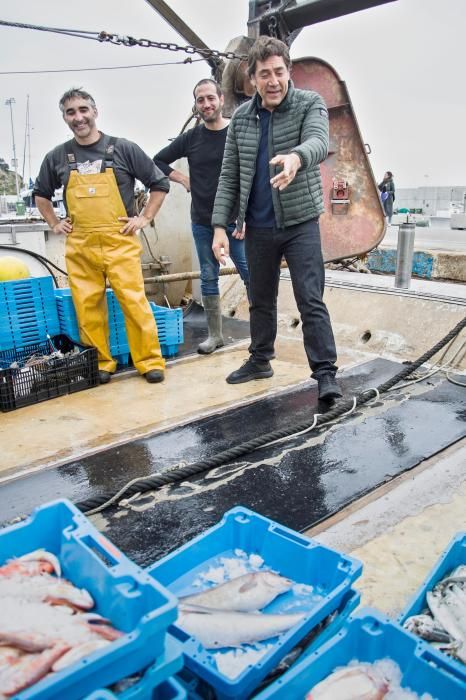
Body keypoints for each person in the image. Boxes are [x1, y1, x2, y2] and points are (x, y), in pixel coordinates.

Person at [212, 36, 342, 402]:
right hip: (257, 226)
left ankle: (326, 373)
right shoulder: (241, 118)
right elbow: (229, 175)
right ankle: (260, 359)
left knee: (309, 298)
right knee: (260, 298)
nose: (272, 81)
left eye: (279, 72)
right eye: (264, 74)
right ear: (252, 78)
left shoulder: (309, 104)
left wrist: (296, 158)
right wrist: (220, 227)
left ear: (289, 72)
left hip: (300, 223)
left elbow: (318, 142)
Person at [34, 87, 169, 385]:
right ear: (65, 118)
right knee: (87, 306)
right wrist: (55, 223)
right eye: (71, 112)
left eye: (83, 110)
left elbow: (159, 184)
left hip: (120, 241)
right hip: (81, 244)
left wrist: (144, 218)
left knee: (134, 303)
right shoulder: (57, 156)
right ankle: (101, 362)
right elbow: (41, 195)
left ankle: (149, 361)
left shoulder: (123, 149)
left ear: (95, 111)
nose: (78, 117)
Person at [154, 79, 249, 354]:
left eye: (210, 98)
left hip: (236, 222)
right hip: (203, 221)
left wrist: (245, 217)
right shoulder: (192, 138)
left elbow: (251, 176)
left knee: (250, 274)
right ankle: (215, 335)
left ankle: (263, 335)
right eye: (200, 100)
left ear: (221, 99)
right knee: (208, 276)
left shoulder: (237, 133)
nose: (206, 104)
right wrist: (183, 179)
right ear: (196, 106)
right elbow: (157, 161)